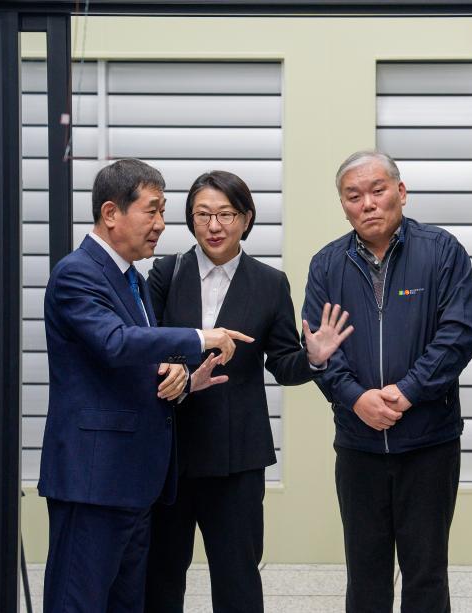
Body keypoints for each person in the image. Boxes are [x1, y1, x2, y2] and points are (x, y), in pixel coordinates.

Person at [39, 159, 252, 613]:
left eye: (163, 212)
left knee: (127, 604)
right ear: (111, 213)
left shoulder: (132, 279)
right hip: (94, 481)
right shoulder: (77, 273)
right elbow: (115, 343)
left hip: (135, 484)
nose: (161, 224)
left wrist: (184, 380)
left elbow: (138, 366)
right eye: (151, 211)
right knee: (78, 602)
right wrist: (200, 338)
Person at [143, 170, 353, 612]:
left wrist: (314, 357)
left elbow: (283, 364)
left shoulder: (270, 283)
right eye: (202, 215)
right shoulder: (166, 273)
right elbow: (146, 348)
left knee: (237, 577)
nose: (213, 226)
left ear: (246, 218)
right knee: (160, 575)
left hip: (236, 456)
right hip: (170, 451)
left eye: (225, 214)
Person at [303, 151, 472, 612]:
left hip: (428, 443)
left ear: (400, 192)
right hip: (358, 445)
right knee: (365, 574)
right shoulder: (326, 265)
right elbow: (319, 348)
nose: (367, 204)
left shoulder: (441, 252)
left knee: (426, 572)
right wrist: (356, 398)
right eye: (353, 196)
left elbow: (459, 335)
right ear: (343, 205)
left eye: (377, 190)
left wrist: (407, 391)